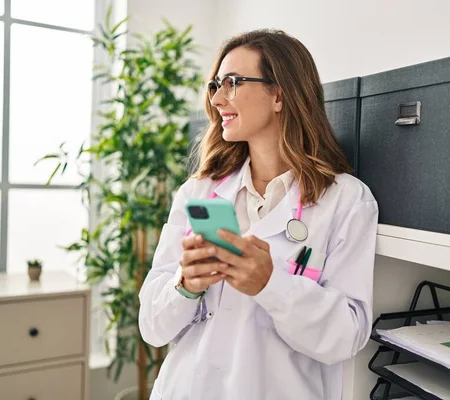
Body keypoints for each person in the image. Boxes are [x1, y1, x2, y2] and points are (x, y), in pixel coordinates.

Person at [138, 29, 378, 400]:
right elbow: (152, 327)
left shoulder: (346, 200)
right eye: (216, 85)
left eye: (232, 83)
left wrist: (272, 284)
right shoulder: (199, 193)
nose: (217, 99)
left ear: (279, 94)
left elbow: (348, 335)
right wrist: (185, 286)